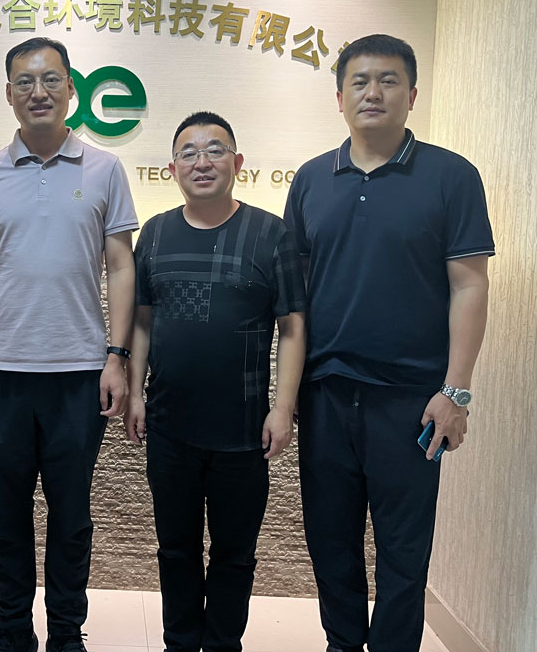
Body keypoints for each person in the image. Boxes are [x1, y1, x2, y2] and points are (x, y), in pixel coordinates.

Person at [284, 34, 494, 652]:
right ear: (339, 97)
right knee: (330, 542)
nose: (372, 92)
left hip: (413, 400)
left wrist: (456, 392)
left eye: (388, 80)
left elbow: (469, 284)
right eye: (359, 81)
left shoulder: (452, 176)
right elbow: (296, 297)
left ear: (412, 94)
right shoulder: (311, 179)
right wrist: (287, 394)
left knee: (404, 551)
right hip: (326, 393)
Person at [0, 37, 138, 652]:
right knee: (5, 512)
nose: (39, 92)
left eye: (51, 79)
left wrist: (117, 356)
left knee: (71, 515)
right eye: (25, 82)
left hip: (79, 372)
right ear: (9, 94)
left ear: (71, 90)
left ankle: (64, 633)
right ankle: (11, 630)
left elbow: (121, 266)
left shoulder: (104, 169)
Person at [124, 111, 306, 652]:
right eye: (189, 153)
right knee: (175, 549)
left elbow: (293, 328)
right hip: (169, 425)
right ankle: (180, 643)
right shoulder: (155, 233)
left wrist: (283, 407)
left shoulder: (272, 234)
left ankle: (224, 644)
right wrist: (134, 393)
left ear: (237, 162)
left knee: (235, 554)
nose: (201, 162)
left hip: (243, 431)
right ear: (172, 168)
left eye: (215, 150)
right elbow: (141, 322)